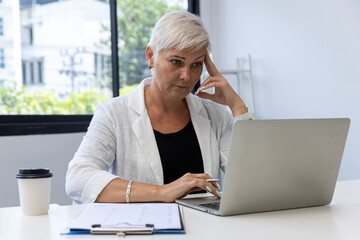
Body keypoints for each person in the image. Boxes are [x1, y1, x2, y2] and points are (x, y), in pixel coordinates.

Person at [65, 11, 251, 204]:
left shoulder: (216, 116)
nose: (187, 76)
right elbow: (78, 178)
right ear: (151, 56)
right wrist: (163, 192)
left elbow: (252, 181)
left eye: (196, 65)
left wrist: (237, 106)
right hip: (144, 230)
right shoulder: (113, 113)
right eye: (176, 62)